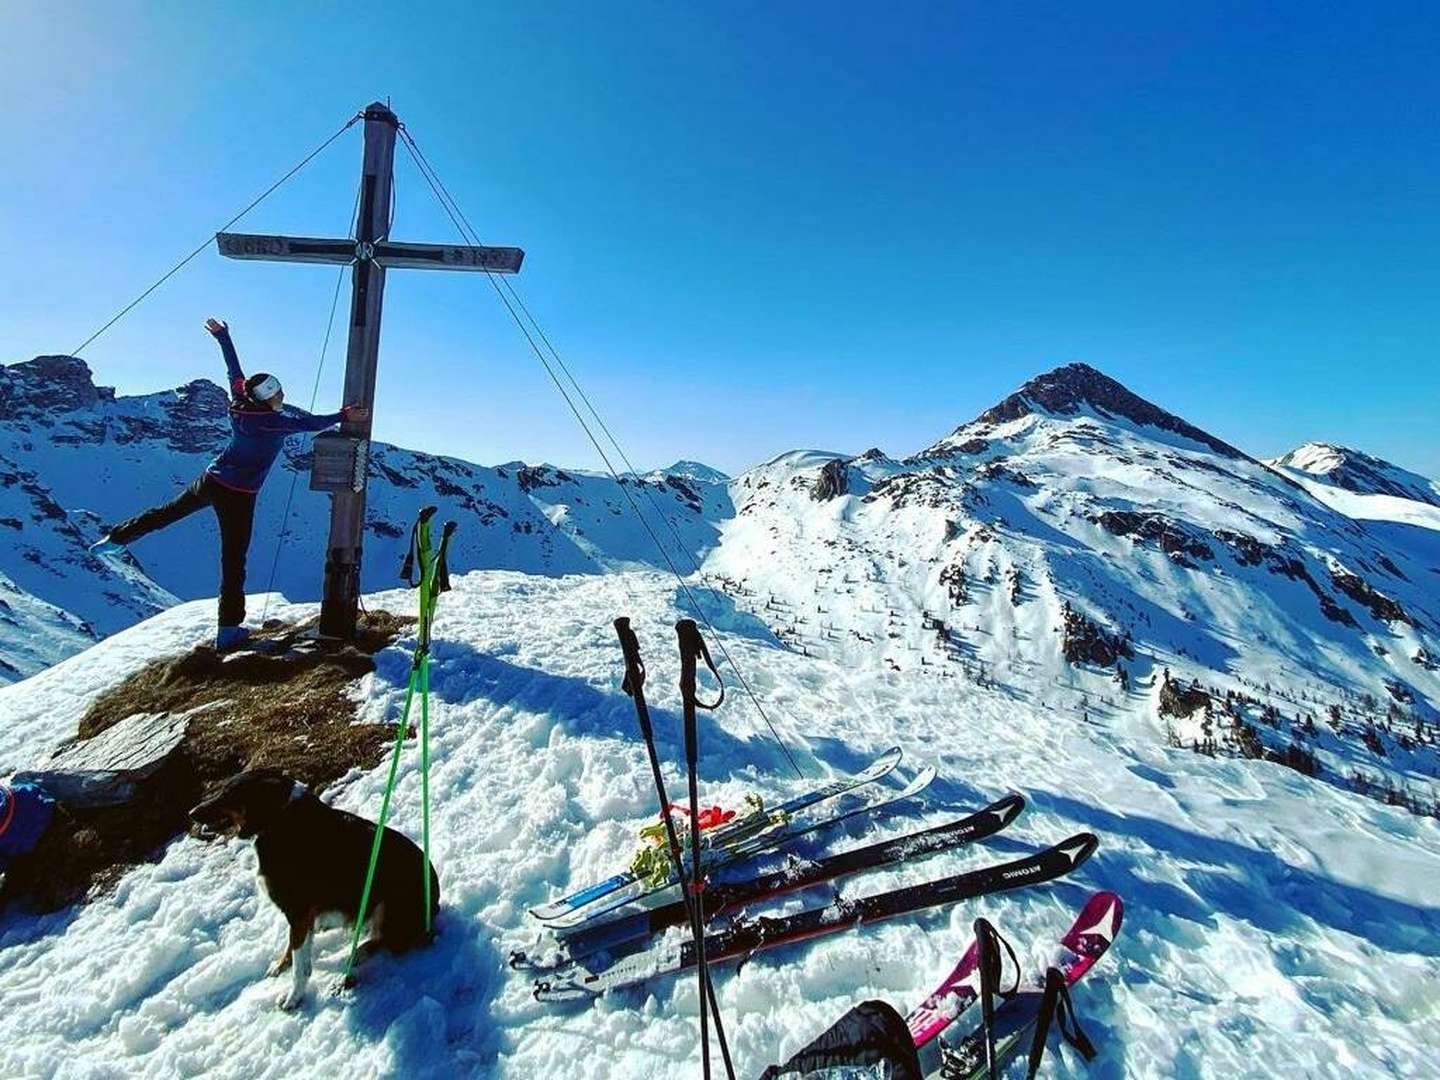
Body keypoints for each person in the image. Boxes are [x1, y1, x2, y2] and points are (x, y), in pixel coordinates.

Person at [91, 318, 367, 650]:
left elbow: (234, 371)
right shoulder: (272, 423)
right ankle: (228, 630)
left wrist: (224, 338)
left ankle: (116, 538)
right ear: (267, 398)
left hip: (211, 479)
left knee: (165, 513)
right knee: (233, 560)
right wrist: (342, 416)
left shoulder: (240, 403)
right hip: (239, 495)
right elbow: (308, 423)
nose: (283, 396)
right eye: (278, 393)